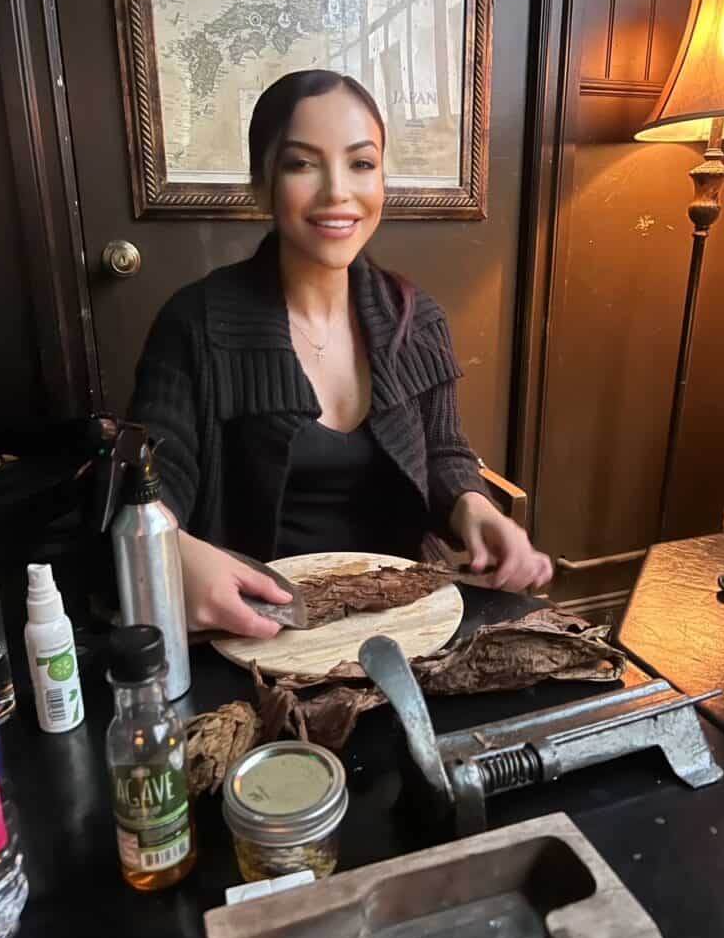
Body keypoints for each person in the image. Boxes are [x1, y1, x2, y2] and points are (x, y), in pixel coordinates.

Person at [129, 70, 553, 639]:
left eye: (361, 163)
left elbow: (444, 452)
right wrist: (172, 548)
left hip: (403, 617)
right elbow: (153, 483)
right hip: (255, 629)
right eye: (302, 164)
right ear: (262, 185)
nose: (337, 192)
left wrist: (473, 507)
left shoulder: (415, 319)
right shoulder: (195, 325)